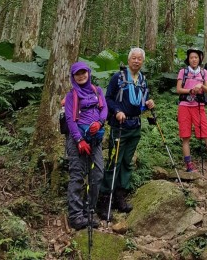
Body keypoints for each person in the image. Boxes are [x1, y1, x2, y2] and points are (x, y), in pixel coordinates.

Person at [97, 48, 154, 219]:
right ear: (128, 60)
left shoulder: (142, 79)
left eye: (140, 59)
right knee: (114, 161)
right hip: (119, 125)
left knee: (127, 163)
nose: (137, 61)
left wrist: (149, 103)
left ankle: (120, 197)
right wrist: (116, 111)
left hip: (135, 125)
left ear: (142, 62)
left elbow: (142, 101)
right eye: (134, 58)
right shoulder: (118, 77)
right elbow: (108, 98)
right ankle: (105, 200)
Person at [64, 61, 108, 230]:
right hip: (78, 141)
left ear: (89, 73)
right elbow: (70, 119)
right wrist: (79, 140)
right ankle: (75, 216)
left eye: (84, 72)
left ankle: (89, 210)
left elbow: (104, 109)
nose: (81, 76)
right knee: (77, 176)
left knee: (97, 173)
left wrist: (100, 122)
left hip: (95, 139)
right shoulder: (72, 95)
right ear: (73, 76)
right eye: (77, 74)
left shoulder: (97, 91)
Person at [176, 48, 207, 175]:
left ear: (200, 59)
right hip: (184, 106)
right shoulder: (183, 71)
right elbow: (178, 89)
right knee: (185, 137)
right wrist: (190, 90)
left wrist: (201, 86)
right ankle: (189, 164)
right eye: (191, 57)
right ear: (188, 59)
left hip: (199, 106)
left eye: (196, 57)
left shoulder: (204, 72)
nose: (194, 59)